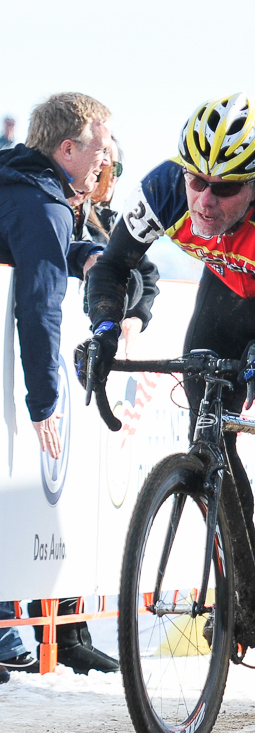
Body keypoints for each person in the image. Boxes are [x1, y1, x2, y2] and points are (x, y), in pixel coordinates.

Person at [85, 92, 255, 629]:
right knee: (206, 425)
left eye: (226, 188)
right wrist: (104, 331)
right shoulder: (164, 189)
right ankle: (240, 575)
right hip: (228, 287)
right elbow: (112, 267)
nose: (206, 201)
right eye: (198, 182)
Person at [0, 93, 115, 678]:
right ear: (66, 149)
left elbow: (43, 251)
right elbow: (38, 308)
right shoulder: (38, 201)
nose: (106, 157)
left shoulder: (30, 189)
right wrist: (43, 402)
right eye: (98, 147)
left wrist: (86, 253)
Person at [81, 138, 160, 345]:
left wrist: (137, 316)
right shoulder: (70, 220)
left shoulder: (115, 225)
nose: (109, 176)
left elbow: (147, 272)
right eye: (101, 166)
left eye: (116, 169)